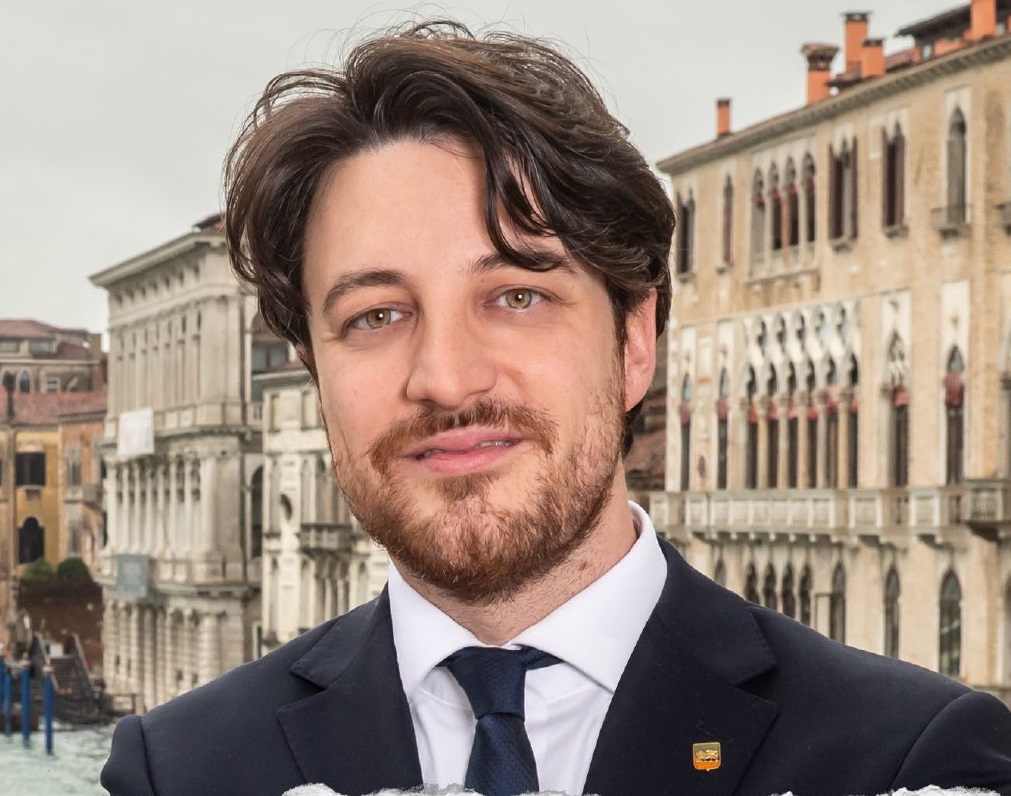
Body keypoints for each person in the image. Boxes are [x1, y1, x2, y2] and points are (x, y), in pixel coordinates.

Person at [101, 21, 1011, 796]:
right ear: (314, 370)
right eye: (375, 316)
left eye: (516, 296)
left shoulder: (910, 759)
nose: (446, 379)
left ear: (633, 341)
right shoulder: (179, 770)